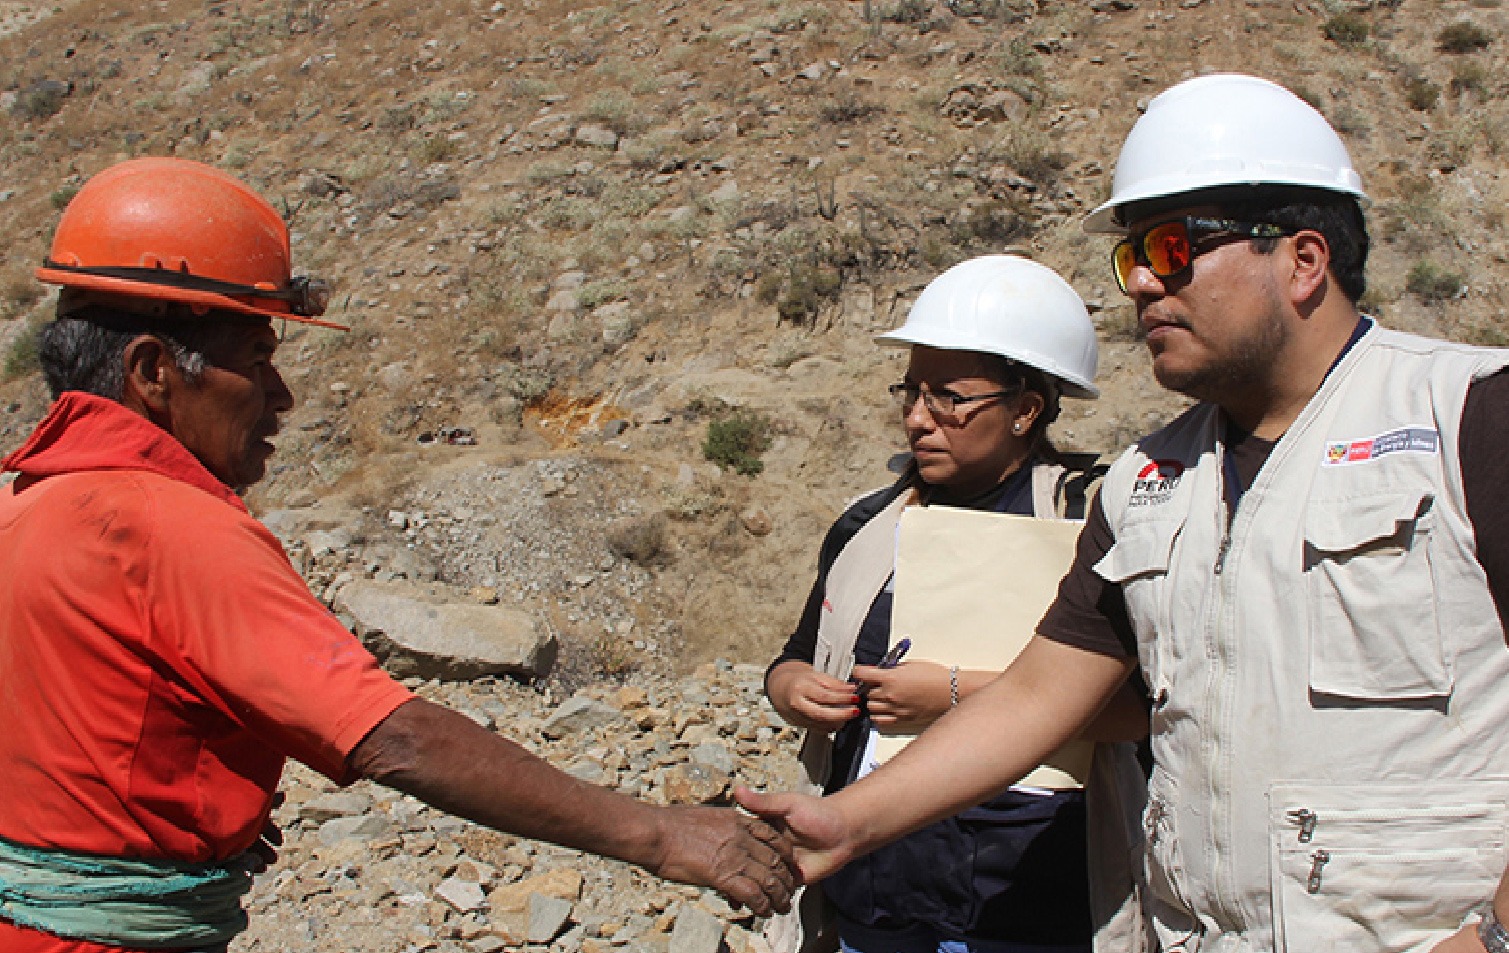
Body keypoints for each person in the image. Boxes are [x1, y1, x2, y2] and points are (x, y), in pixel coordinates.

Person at [738, 72, 1509, 953]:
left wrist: (1491, 935)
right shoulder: (1149, 479)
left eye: (1174, 247)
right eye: (1132, 256)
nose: (1140, 281)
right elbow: (1036, 694)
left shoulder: (1468, 418)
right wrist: (850, 822)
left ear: (1302, 260)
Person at [0, 157, 796, 953]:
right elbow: (396, 738)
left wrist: (186, 816)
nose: (281, 396)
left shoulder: (29, 501)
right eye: (255, 360)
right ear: (153, 371)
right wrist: (661, 835)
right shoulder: (165, 526)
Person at [764, 255, 1149, 953]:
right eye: (910, 392)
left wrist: (948, 693)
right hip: (875, 905)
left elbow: (1146, 712)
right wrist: (791, 688)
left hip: (1031, 909)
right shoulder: (864, 524)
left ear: (1025, 409)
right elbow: (795, 654)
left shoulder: (1090, 524)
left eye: (947, 397)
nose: (917, 418)